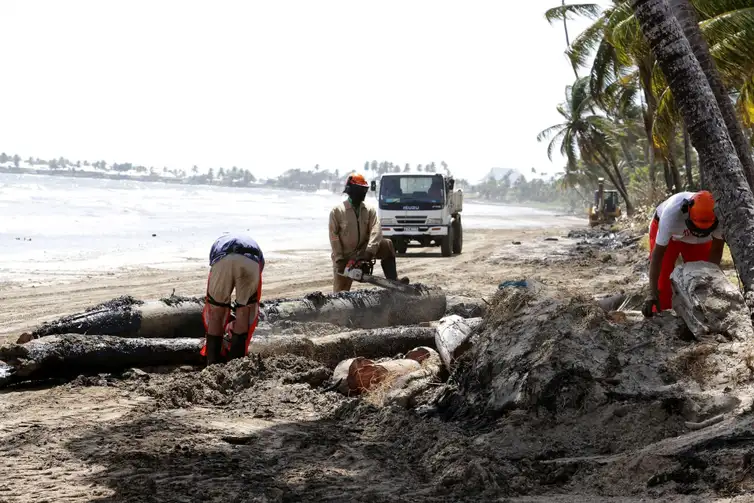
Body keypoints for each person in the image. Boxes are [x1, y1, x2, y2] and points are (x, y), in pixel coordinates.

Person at [642, 190, 724, 317]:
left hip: (698, 243)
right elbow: (657, 256)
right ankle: (659, 317)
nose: (699, 232)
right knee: (662, 284)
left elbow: (717, 250)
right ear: (688, 212)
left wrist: (712, 282)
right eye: (696, 228)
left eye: (704, 230)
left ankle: (700, 316)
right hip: (670, 235)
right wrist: (652, 292)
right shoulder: (671, 215)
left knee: (701, 279)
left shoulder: (720, 215)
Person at [328, 173, 408, 292]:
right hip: (345, 256)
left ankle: (393, 280)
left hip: (364, 251)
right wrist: (340, 258)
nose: (363, 193)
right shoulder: (337, 212)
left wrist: (369, 251)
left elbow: (376, 230)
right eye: (361, 190)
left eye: (364, 190)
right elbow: (334, 236)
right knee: (340, 293)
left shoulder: (369, 210)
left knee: (387, 245)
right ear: (351, 190)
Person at [200, 233, 264, 365]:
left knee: (217, 310)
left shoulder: (219, 241)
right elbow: (259, 269)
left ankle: (212, 362)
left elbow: (213, 263)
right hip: (250, 260)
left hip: (222, 257)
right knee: (244, 310)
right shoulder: (254, 245)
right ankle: (236, 362)